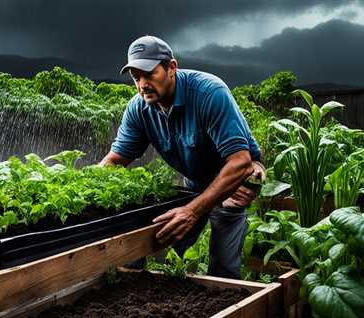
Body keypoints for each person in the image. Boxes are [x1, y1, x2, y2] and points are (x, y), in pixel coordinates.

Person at [99, 35, 265, 279]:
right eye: (136, 77)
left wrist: (192, 211)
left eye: (149, 74)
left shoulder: (208, 93)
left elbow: (240, 161)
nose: (142, 84)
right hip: (195, 181)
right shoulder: (139, 109)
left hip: (233, 182)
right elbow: (114, 162)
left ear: (172, 68)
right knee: (170, 244)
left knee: (223, 268)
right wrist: (81, 190)